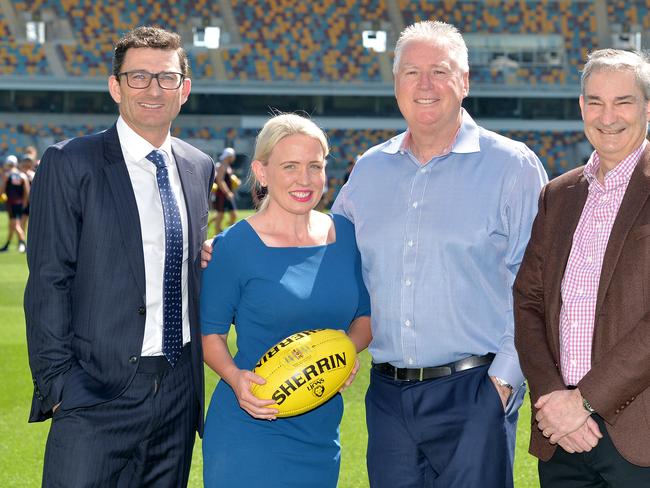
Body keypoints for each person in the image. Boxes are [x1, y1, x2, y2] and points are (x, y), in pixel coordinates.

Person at [331, 21, 547, 487]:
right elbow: (323, 253)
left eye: (440, 71)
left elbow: (538, 282)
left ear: (465, 82)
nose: (424, 85)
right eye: (411, 72)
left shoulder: (512, 166)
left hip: (474, 389)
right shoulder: (368, 171)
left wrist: (504, 380)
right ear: (395, 85)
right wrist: (226, 249)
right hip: (388, 395)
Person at [24, 26, 214, 487]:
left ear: (184, 89)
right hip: (94, 392)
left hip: (176, 390)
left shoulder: (198, 166)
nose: (153, 89)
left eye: (167, 78)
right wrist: (60, 387)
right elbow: (49, 278)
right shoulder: (70, 162)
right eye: (138, 77)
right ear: (115, 86)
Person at [200, 113, 372, 487]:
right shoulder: (232, 247)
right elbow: (208, 334)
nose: (304, 179)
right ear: (262, 172)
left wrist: (345, 353)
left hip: (320, 430)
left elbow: (364, 318)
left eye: (315, 166)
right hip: (251, 426)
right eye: (290, 166)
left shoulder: (345, 236)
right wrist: (234, 378)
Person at [514, 48, 650, 486]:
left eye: (623, 102)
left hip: (637, 434)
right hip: (561, 436)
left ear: (648, 107)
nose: (607, 116)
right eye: (595, 101)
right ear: (581, 107)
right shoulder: (558, 194)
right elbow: (528, 302)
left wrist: (585, 401)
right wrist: (553, 397)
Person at [0, 154, 29, 253]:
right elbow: (27, 191)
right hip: (20, 203)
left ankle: (23, 243)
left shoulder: (7, 175)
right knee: (12, 225)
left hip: (11, 203)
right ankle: (7, 244)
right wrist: (24, 203)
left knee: (16, 225)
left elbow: (2, 189)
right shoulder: (22, 175)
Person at [208, 146, 238, 233]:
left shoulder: (228, 166)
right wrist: (228, 192)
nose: (234, 158)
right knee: (220, 215)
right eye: (233, 156)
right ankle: (218, 235)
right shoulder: (222, 166)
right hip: (222, 194)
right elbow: (220, 181)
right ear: (229, 156)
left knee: (233, 215)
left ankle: (227, 233)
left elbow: (227, 180)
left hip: (227, 194)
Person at [19, 153, 36, 232]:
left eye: (28, 161)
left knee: (33, 223)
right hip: (21, 201)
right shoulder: (19, 174)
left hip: (32, 202)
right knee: (21, 223)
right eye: (26, 161)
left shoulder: (33, 175)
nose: (27, 163)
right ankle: (22, 241)